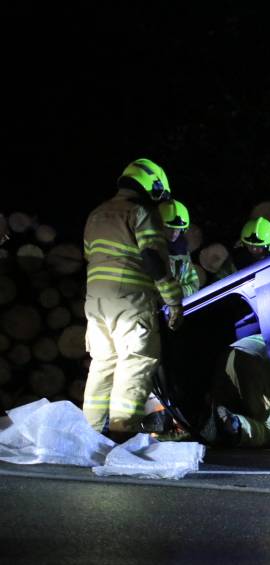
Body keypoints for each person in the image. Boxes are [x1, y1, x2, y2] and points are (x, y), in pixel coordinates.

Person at [82, 158, 183, 439]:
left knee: (103, 363)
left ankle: (89, 432)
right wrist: (173, 300)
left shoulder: (96, 214)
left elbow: (91, 256)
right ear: (152, 185)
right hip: (130, 300)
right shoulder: (141, 212)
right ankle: (121, 430)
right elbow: (153, 258)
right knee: (136, 360)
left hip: (96, 302)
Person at [208, 335, 270, 448]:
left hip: (237, 354)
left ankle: (229, 424)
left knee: (265, 432)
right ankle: (234, 424)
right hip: (249, 356)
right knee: (266, 430)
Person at [159, 199, 200, 298]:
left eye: (177, 229)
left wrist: (179, 292)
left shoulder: (183, 253)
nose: (174, 233)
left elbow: (194, 285)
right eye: (169, 228)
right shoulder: (148, 249)